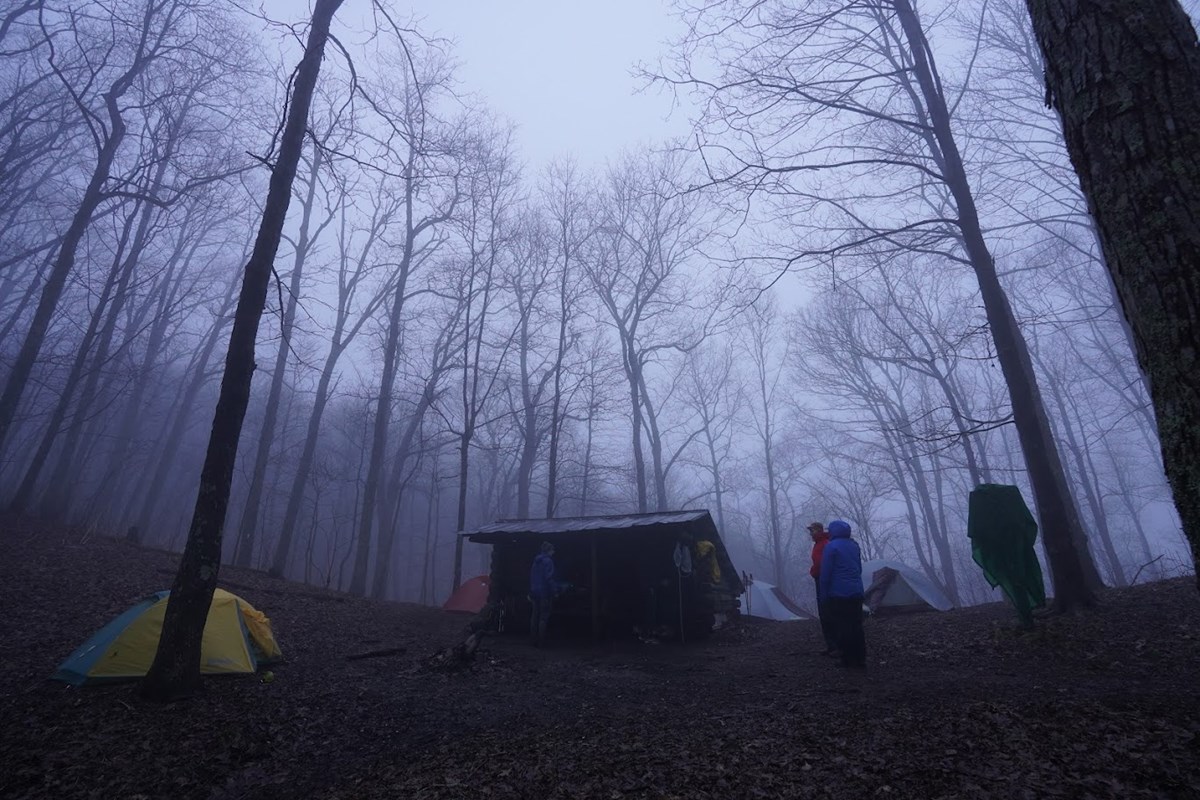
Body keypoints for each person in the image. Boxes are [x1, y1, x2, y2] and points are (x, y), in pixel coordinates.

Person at [818, 519, 866, 668]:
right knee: (856, 625)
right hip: (856, 592)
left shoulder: (831, 547)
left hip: (839, 594)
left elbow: (825, 573)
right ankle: (860, 658)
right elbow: (858, 568)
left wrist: (823, 595)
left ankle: (847, 659)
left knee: (842, 626)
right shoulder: (854, 546)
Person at [529, 541, 568, 646]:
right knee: (543, 617)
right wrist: (555, 591)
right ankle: (541, 642)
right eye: (552, 551)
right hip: (544, 593)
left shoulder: (535, 562)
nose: (553, 553)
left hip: (534, 592)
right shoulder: (548, 561)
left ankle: (533, 640)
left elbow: (532, 577)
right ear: (549, 551)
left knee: (534, 616)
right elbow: (549, 578)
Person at [808, 522, 837, 655]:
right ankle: (831, 645)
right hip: (820, 579)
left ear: (819, 530)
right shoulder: (818, 543)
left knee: (827, 611)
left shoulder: (825, 543)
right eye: (810, 531)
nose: (810, 534)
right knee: (824, 612)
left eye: (812, 531)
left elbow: (823, 563)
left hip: (824, 580)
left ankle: (835, 646)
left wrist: (815, 572)